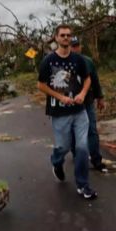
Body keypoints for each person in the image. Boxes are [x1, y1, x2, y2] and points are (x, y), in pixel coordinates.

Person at [37, 24, 97, 200]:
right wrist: (60, 97)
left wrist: (83, 94)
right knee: (63, 147)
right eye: (62, 35)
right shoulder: (48, 61)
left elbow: (87, 79)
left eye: (69, 35)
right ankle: (57, 162)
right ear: (56, 38)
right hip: (59, 112)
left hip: (79, 111)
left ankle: (83, 185)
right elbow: (40, 85)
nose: (66, 38)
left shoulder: (78, 60)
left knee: (82, 148)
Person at [71, 36, 108, 172]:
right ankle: (77, 155)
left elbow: (95, 81)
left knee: (92, 130)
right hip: (72, 104)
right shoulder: (63, 63)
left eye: (76, 46)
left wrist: (100, 97)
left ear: (80, 47)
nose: (75, 48)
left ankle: (96, 160)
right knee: (74, 131)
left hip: (87, 102)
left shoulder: (88, 62)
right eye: (72, 46)